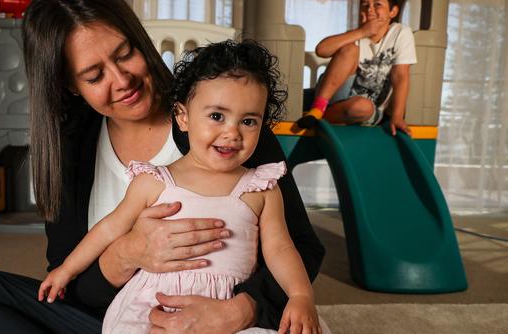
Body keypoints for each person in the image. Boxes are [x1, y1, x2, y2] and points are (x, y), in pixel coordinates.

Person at [0, 0, 325, 333]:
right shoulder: (71, 145)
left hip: (218, 316)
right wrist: (129, 252)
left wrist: (238, 311)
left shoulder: (223, 121)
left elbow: (300, 246)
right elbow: (72, 286)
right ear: (70, 85)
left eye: (125, 53)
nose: (122, 80)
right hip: (120, 320)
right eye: (94, 75)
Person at [38, 40, 328, 334]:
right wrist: (67, 270)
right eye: (217, 116)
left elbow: (281, 248)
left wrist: (300, 295)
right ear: (183, 117)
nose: (232, 132)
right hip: (155, 303)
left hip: (227, 306)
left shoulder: (261, 188)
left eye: (249, 121)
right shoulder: (154, 181)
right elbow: (110, 229)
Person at [296, 0, 417, 136]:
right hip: (330, 96)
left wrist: (397, 116)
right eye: (365, 5)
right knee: (350, 49)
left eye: (377, 5)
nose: (370, 10)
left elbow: (400, 75)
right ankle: (317, 109)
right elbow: (321, 50)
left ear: (393, 11)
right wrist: (362, 32)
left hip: (361, 108)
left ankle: (315, 118)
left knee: (362, 107)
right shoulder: (356, 35)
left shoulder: (401, 33)